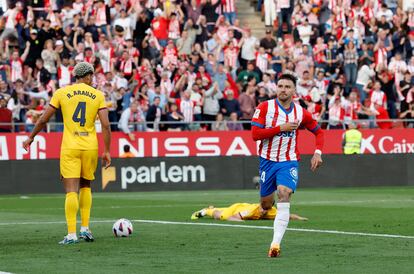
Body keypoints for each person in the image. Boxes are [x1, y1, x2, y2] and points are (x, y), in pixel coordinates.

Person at [23, 62, 111, 245]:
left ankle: (71, 234)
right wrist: (107, 150)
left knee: (71, 190)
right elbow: (105, 125)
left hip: (70, 146)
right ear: (86, 76)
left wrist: (31, 137)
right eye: (92, 76)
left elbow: (43, 119)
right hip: (90, 146)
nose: (93, 79)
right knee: (86, 186)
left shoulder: (62, 93)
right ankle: (85, 229)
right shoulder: (98, 95)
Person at [251, 73, 324, 257]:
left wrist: (317, 152)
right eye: (281, 86)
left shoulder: (301, 112)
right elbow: (255, 134)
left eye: (287, 87)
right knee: (266, 205)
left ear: (294, 90)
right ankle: (268, 201)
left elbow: (319, 132)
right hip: (267, 161)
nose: (283, 90)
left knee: (284, 193)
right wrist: (280, 128)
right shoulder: (264, 108)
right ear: (277, 88)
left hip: (288, 160)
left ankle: (275, 245)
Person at [191, 203, 308, 221]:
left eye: (265, 210)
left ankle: (212, 207)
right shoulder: (252, 211)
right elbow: (233, 217)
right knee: (222, 216)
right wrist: (240, 222)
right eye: (262, 209)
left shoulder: (271, 211)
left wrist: (300, 218)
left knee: (223, 212)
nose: (263, 211)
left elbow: (287, 215)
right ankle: (208, 211)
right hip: (238, 208)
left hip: (244, 206)